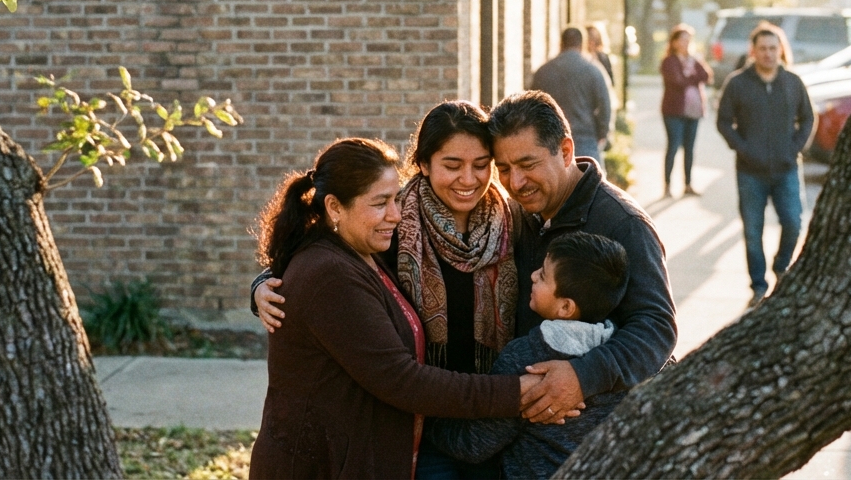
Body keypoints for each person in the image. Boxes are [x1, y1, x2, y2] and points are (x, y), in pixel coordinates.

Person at [252, 103, 522, 480]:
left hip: (494, 426)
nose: (468, 178)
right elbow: (398, 375)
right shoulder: (394, 234)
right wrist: (261, 286)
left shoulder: (513, 223)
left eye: (481, 164)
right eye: (452, 164)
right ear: (424, 164)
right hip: (428, 431)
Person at [487, 91, 676, 426]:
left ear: (565, 151)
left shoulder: (623, 224)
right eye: (503, 169)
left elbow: (656, 327)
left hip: (599, 434)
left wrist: (581, 377)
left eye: (528, 165)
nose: (515, 182)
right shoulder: (516, 213)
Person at [426, 232, 630, 479]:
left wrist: (429, 422)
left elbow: (474, 444)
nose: (533, 275)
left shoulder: (528, 357)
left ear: (565, 307)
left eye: (543, 276)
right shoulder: (626, 356)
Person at [716, 22, 815, 306]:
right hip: (750, 172)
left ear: (781, 50)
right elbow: (724, 121)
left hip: (786, 169)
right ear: (753, 51)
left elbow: (807, 118)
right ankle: (758, 287)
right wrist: (743, 149)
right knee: (752, 232)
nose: (769, 54)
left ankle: (782, 267)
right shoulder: (737, 82)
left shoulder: (793, 82)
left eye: (773, 48)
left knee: (794, 222)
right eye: (763, 49)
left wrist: (794, 148)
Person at [529, 27, 612, 164]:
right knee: (590, 182)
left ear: (561, 44)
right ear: (582, 44)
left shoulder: (543, 71)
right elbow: (605, 105)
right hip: (585, 138)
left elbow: (531, 106)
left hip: (551, 140)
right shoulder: (593, 70)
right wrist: (602, 133)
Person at [660, 24, 713, 198]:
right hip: (674, 111)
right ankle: (667, 185)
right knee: (673, 146)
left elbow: (706, 76)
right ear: (674, 42)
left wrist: (691, 72)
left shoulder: (694, 59)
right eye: (682, 39)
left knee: (690, 148)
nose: (685, 43)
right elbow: (677, 82)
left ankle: (688, 184)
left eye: (688, 40)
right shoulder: (669, 62)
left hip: (693, 111)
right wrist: (692, 77)